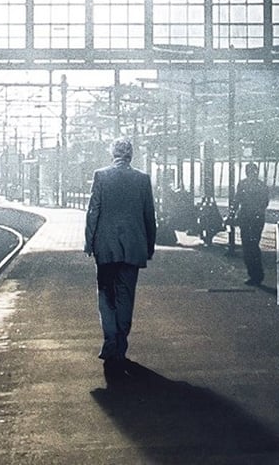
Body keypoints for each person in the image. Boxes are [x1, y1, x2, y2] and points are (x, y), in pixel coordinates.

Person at [85, 138, 157, 378]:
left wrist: (89, 240)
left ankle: (109, 343)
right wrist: (149, 244)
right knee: (126, 297)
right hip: (132, 247)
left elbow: (93, 211)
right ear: (131, 155)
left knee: (106, 297)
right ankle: (121, 347)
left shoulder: (101, 176)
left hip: (105, 248)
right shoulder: (142, 179)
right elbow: (149, 215)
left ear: (112, 154)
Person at [231, 163, 270, 286]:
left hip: (245, 218)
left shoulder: (243, 184)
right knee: (254, 244)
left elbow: (237, 200)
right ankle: (258, 274)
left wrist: (232, 214)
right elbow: (266, 202)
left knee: (247, 246)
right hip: (258, 218)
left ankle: (253, 274)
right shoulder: (262, 185)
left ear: (246, 172)